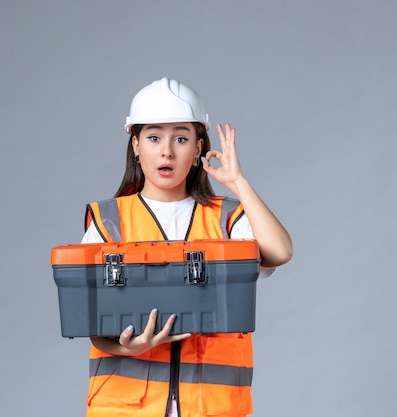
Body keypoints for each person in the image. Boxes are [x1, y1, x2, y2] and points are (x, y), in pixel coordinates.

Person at [80, 77, 293, 417]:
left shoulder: (227, 218)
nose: (167, 150)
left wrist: (239, 182)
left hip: (212, 408)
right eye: (153, 137)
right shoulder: (108, 221)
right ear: (135, 145)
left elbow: (280, 252)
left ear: (197, 149)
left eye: (181, 138)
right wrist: (127, 345)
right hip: (126, 409)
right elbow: (92, 327)